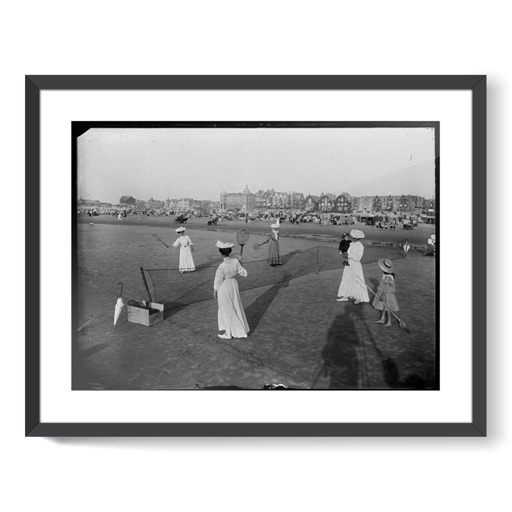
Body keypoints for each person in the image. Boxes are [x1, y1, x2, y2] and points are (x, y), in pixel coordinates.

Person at [213, 241, 250, 339]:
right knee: (235, 306)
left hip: (224, 288)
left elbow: (218, 281)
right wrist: (240, 263)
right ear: (229, 252)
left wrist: (215, 290)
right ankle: (234, 331)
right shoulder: (235, 261)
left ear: (220, 253)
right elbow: (244, 273)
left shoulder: (221, 266)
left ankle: (228, 333)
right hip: (233, 285)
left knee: (226, 309)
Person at [336, 229, 370, 304]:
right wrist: (346, 258)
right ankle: (345, 296)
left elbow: (358, 257)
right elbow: (348, 252)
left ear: (358, 238)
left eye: (355, 238)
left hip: (356, 265)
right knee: (346, 278)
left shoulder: (360, 246)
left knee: (357, 280)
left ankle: (359, 297)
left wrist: (349, 255)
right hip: (349, 263)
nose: (353, 239)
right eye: (353, 237)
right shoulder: (351, 244)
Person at [373, 258, 400, 328]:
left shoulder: (388, 277)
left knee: (387, 307)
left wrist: (382, 295)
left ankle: (389, 322)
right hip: (384, 291)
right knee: (383, 306)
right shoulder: (386, 275)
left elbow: (387, 286)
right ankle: (382, 319)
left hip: (387, 293)